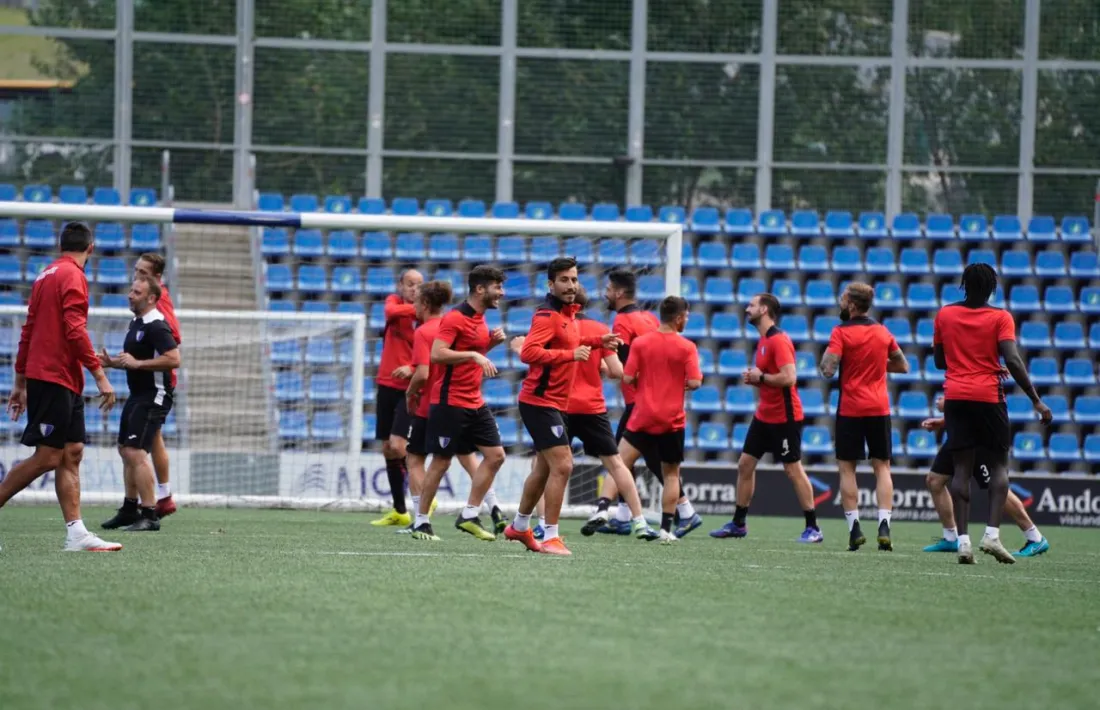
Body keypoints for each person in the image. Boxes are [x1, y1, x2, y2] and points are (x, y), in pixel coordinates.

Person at [504, 260, 640, 556]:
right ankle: (551, 536)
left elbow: (574, 338)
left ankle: (519, 525)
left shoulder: (569, 315)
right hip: (539, 402)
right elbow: (528, 352)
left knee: (542, 469)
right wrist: (570, 355)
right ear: (550, 285)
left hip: (556, 402)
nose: (571, 285)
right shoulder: (546, 314)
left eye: (574, 279)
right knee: (564, 465)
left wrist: (596, 340)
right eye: (564, 280)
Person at [0, 221, 120, 552]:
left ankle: (76, 533)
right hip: (53, 376)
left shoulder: (45, 275)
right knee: (48, 456)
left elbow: (29, 330)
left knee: (72, 452)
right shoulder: (72, 276)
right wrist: (99, 374)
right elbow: (74, 329)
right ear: (91, 249)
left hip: (60, 377)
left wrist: (19, 381)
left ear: (60, 246)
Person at [933, 263, 1052, 564]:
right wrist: (1036, 400)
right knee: (998, 467)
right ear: (992, 289)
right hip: (988, 396)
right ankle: (992, 535)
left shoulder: (945, 314)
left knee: (960, 470)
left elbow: (938, 361)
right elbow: (1012, 360)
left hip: (956, 396)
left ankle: (962, 542)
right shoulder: (1001, 317)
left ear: (963, 285)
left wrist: (967, 362)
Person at [593, 268, 700, 538]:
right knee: (651, 463)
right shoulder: (649, 318)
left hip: (640, 405)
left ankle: (611, 511)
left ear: (618, 292)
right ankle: (626, 517)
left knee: (622, 459)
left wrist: (604, 367)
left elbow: (625, 370)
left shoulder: (621, 323)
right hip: (667, 408)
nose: (605, 293)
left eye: (608, 289)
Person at [711, 293, 822, 543]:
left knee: (793, 469)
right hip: (764, 415)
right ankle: (739, 523)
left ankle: (813, 527)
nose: (747, 308)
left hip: (785, 417)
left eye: (751, 305)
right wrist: (757, 378)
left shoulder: (779, 341)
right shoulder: (763, 340)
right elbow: (770, 377)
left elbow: (790, 377)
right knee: (745, 464)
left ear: (764, 309)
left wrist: (760, 378)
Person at [402, 280, 507, 534]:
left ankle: (469, 513)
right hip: (447, 402)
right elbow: (439, 358)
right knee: (444, 460)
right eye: (497, 287)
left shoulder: (475, 320)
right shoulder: (453, 319)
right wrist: (476, 354)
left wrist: (486, 347)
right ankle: (422, 521)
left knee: (493, 456)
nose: (502, 292)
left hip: (466, 401)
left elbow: (434, 367)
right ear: (480, 288)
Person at [818, 282, 909, 552]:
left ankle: (855, 528)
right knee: (882, 467)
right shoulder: (882, 332)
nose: (840, 302)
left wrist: (844, 361)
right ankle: (884, 525)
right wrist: (875, 364)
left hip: (851, 408)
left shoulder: (840, 332)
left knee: (847, 468)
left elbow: (827, 369)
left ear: (853, 305)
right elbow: (903, 365)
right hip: (879, 407)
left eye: (843, 299)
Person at [617, 296, 702, 544]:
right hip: (672, 420)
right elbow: (695, 382)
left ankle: (618, 512)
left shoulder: (641, 343)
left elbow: (628, 377)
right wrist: (678, 383)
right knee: (672, 474)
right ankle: (666, 529)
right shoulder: (687, 347)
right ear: (678, 318)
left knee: (619, 463)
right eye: (686, 316)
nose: (686, 319)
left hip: (643, 415)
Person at [920, 396, 1050, 558]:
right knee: (935, 480)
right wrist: (945, 421)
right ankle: (951, 538)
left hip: (976, 437)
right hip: (959, 433)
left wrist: (947, 404)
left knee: (993, 486)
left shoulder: (976, 374)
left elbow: (975, 400)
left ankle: (1034, 537)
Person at [99, 276, 181, 532]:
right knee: (125, 449)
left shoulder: (157, 325)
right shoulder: (136, 322)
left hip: (154, 395)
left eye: (136, 292)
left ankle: (149, 514)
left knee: (135, 452)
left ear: (151, 298)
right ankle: (129, 509)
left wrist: (138, 364)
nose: (130, 295)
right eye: (131, 290)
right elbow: (135, 359)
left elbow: (174, 359)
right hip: (138, 394)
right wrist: (112, 362)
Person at [372, 269, 423, 528]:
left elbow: (429, 357)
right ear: (401, 286)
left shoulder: (428, 321)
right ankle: (399, 510)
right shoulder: (393, 303)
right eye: (410, 284)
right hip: (385, 383)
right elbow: (391, 313)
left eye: (419, 286)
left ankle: (422, 493)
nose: (414, 289)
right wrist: (415, 310)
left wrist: (412, 369)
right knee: (387, 448)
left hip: (411, 388)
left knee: (398, 443)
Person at [133, 252, 181, 518]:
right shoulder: (146, 297)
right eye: (137, 271)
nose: (138, 277)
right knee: (152, 437)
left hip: (157, 381)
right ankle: (160, 496)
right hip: (147, 380)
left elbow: (173, 335)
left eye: (144, 273)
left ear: (157, 277)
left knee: (140, 442)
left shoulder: (159, 298)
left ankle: (159, 497)